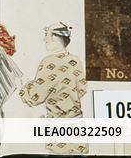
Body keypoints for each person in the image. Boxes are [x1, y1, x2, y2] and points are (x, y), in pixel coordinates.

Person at [20, 22, 88, 155]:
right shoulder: (76, 60)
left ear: (57, 38)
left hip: (58, 132)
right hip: (78, 128)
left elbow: (35, 98)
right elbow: (82, 89)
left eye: (47, 35)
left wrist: (23, 87)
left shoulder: (49, 62)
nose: (44, 39)